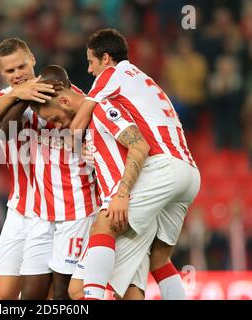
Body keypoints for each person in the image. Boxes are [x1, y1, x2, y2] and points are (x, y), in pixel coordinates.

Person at [69, 28, 201, 299]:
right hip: (188, 170)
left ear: (105, 58)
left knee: (106, 222)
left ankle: (91, 298)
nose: (90, 70)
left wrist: (77, 144)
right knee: (160, 260)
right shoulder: (143, 78)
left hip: (162, 166)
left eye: (91, 62)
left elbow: (78, 121)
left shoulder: (112, 74)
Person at [0, 38, 99, 300]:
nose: (17, 74)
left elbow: (86, 114)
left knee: (48, 294)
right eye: (10, 71)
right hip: (21, 208)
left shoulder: (62, 94)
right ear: (2, 72)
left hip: (61, 210)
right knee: (4, 296)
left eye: (21, 66)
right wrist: (16, 94)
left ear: (32, 59)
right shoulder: (0, 99)